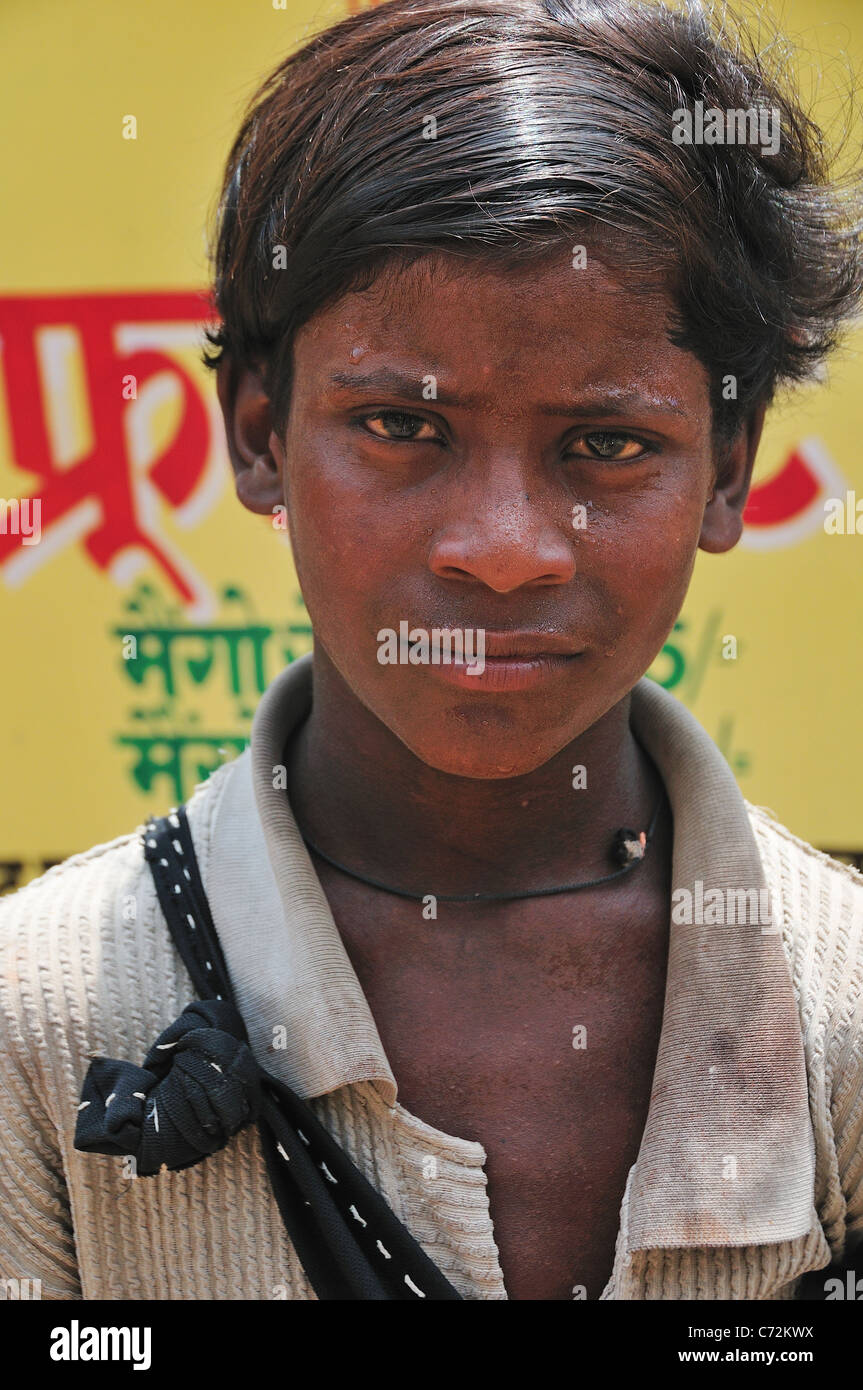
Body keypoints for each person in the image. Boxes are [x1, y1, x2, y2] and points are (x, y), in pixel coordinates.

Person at [2, 0, 862, 1302]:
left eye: (608, 443)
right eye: (404, 425)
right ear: (258, 435)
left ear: (728, 473)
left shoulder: (845, 1020)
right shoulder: (39, 1019)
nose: (505, 548)